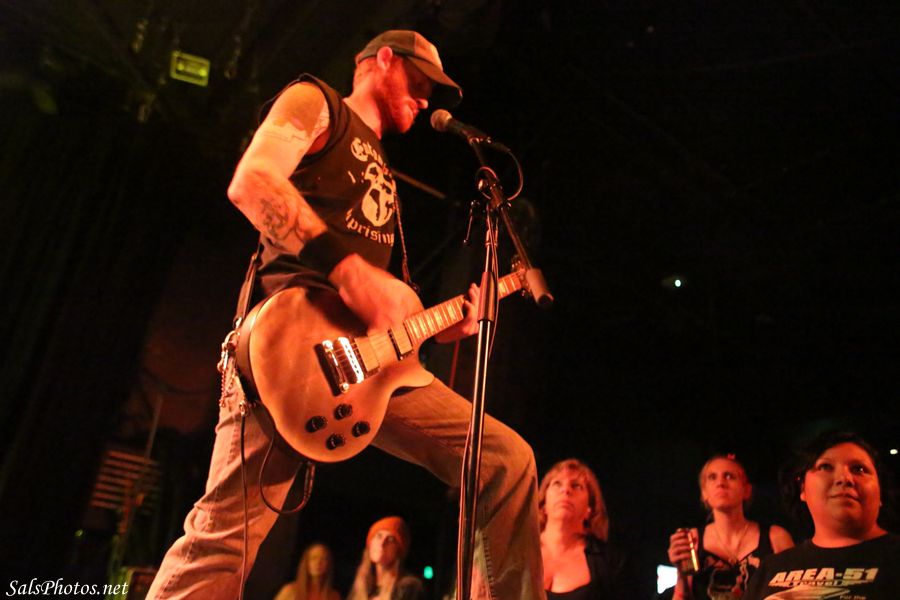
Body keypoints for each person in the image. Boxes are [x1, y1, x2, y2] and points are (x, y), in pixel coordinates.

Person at [146, 30, 544, 599]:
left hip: (369, 367)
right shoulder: (318, 102)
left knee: (505, 461)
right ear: (383, 60)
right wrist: (351, 272)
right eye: (421, 82)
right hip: (289, 353)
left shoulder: (383, 168)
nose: (426, 99)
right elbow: (253, 182)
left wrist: (441, 326)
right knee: (223, 544)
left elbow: (384, 307)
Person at [743, 431, 900, 599]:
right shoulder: (770, 568)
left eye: (859, 469)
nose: (845, 478)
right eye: (825, 467)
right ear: (802, 488)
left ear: (880, 492)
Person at [666, 454, 794, 600]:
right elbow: (681, 596)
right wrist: (682, 575)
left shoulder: (775, 538)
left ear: (746, 490)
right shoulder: (692, 539)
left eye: (729, 476)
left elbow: (796, 593)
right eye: (712, 477)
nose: (720, 483)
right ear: (704, 493)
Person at [539, 458, 641, 599]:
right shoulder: (518, 550)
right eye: (557, 484)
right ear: (543, 503)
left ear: (590, 509)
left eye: (576, 486)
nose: (565, 490)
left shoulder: (611, 563)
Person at [347, 516, 423, 600]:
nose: (382, 543)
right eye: (379, 536)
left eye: (390, 539)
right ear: (370, 543)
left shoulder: (408, 588)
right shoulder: (361, 586)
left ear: (398, 550)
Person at [274, 543, 341, 600]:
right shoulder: (290, 591)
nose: (318, 563)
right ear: (306, 562)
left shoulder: (333, 596)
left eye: (323, 559)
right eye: (314, 558)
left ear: (329, 564)